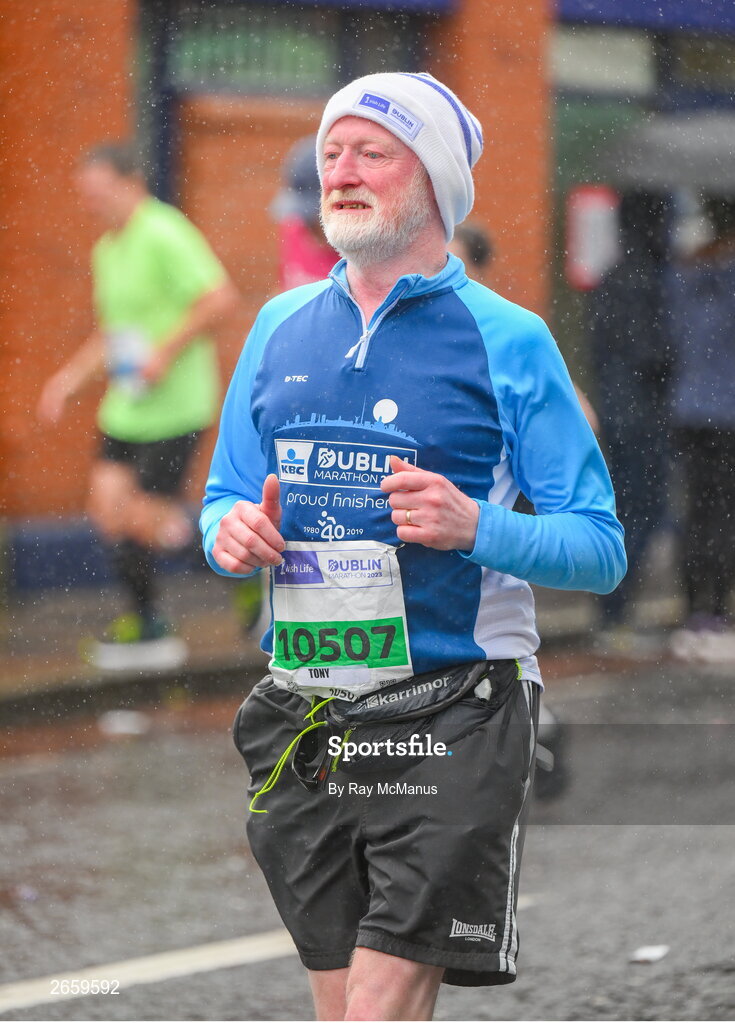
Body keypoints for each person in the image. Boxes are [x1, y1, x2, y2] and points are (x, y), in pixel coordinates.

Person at [202, 72, 625, 1019]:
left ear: (431, 178)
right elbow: (227, 493)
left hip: (454, 710)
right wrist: (230, 534)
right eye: (330, 155)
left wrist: (478, 527)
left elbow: (598, 546)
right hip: (306, 714)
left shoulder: (509, 340)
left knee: (379, 1002)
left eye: (370, 154)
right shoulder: (277, 327)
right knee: (342, 1000)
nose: (340, 174)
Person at [37, 142, 239, 670]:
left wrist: (164, 352)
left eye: (98, 193)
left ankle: (241, 562)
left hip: (176, 408)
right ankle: (147, 624)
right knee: (108, 510)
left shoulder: (164, 231)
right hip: (127, 408)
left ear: (130, 183)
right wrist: (66, 381)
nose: (90, 205)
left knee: (143, 516)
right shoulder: (107, 249)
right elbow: (113, 334)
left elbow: (219, 299)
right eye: (84, 197)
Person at [588, 191, 673, 645]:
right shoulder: (648, 279)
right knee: (644, 510)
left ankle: (611, 611)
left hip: (618, 412)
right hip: (642, 418)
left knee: (624, 509)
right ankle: (615, 614)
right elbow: (651, 354)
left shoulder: (612, 276)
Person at [668, 195, 735, 660]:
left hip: (689, 409)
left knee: (696, 510)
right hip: (727, 412)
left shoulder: (684, 274)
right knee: (724, 513)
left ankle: (696, 612)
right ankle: (716, 612)